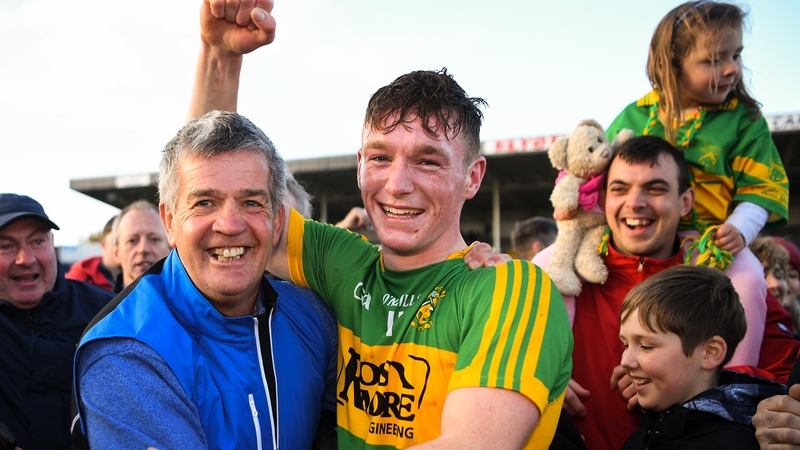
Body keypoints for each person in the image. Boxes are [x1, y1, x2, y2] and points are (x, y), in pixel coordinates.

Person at [191, 3, 573, 448]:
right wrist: (219, 57)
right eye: (380, 157)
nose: (397, 184)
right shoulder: (343, 263)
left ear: (473, 177)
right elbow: (214, 192)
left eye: (428, 161)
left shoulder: (509, 288)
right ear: (359, 166)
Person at [72, 112, 338, 449]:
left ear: (277, 221)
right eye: (205, 202)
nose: (229, 224)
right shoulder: (127, 353)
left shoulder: (313, 316)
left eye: (251, 202)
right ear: (169, 221)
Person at [533, 136, 798, 450]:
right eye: (620, 189)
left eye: (655, 189)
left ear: (686, 201)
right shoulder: (557, 273)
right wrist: (540, 383)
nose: (635, 202)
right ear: (604, 199)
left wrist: (688, 386)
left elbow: (781, 375)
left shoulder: (726, 279)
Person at [606, 0, 790, 372]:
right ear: (672, 66)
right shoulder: (635, 115)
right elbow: (599, 177)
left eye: (736, 54)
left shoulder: (745, 120)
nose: (730, 69)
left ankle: (734, 383)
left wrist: (740, 228)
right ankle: (557, 366)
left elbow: (762, 185)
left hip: (714, 245)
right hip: (653, 246)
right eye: (711, 60)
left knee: (751, 278)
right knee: (550, 264)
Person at [619, 265, 786, 449]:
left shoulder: (736, 443)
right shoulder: (641, 437)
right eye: (625, 345)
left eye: (646, 346)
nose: (625, 361)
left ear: (710, 352)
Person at [0, 193, 113, 450]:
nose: (26, 259)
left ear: (52, 244)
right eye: (5, 246)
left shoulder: (108, 313)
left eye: (37, 241)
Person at [112, 200, 172, 291]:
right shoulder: (102, 305)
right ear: (117, 253)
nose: (143, 249)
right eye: (132, 241)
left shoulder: (190, 303)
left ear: (170, 247)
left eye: (154, 239)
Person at [66, 215, 120, 291]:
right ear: (103, 245)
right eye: (116, 240)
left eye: (130, 240)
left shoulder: (138, 276)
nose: (121, 246)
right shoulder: (79, 279)